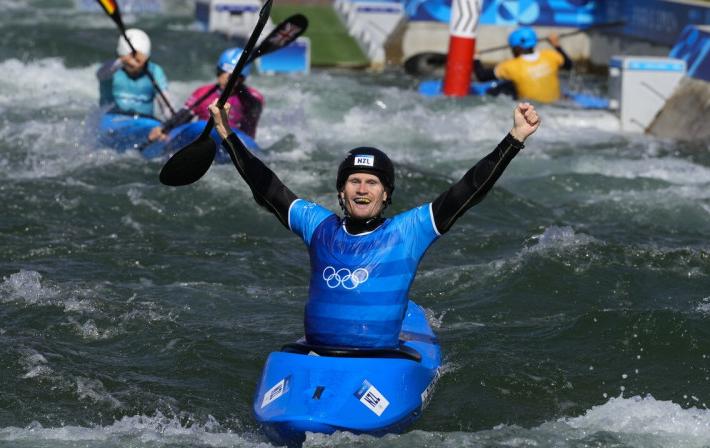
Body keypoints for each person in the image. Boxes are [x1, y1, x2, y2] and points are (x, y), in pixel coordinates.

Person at [205, 99, 541, 349]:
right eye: (354, 181)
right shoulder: (318, 226)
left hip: (380, 363)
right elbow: (269, 188)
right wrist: (226, 134)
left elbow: (467, 190)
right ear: (341, 191)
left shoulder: (408, 232)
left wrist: (514, 139)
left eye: (372, 183)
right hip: (318, 355)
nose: (362, 189)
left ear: (385, 194)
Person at [163, 47, 264, 139]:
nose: (226, 80)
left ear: (241, 78)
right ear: (218, 72)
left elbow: (256, 108)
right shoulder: (202, 92)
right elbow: (184, 116)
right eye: (222, 73)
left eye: (232, 77)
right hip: (203, 133)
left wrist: (238, 86)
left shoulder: (253, 96)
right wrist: (165, 130)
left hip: (239, 139)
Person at [96, 28, 174, 143]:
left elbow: (166, 106)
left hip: (144, 123)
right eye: (130, 64)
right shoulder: (110, 69)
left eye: (140, 63)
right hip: (112, 122)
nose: (135, 67)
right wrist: (123, 61)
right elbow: (101, 74)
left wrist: (171, 126)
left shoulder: (154, 71)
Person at [473, 27, 573, 103]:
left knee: (504, 86)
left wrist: (475, 58)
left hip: (530, 108)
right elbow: (569, 65)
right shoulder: (550, 55)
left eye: (512, 47)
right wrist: (556, 44)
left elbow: (482, 76)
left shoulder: (510, 66)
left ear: (516, 48)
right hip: (556, 102)